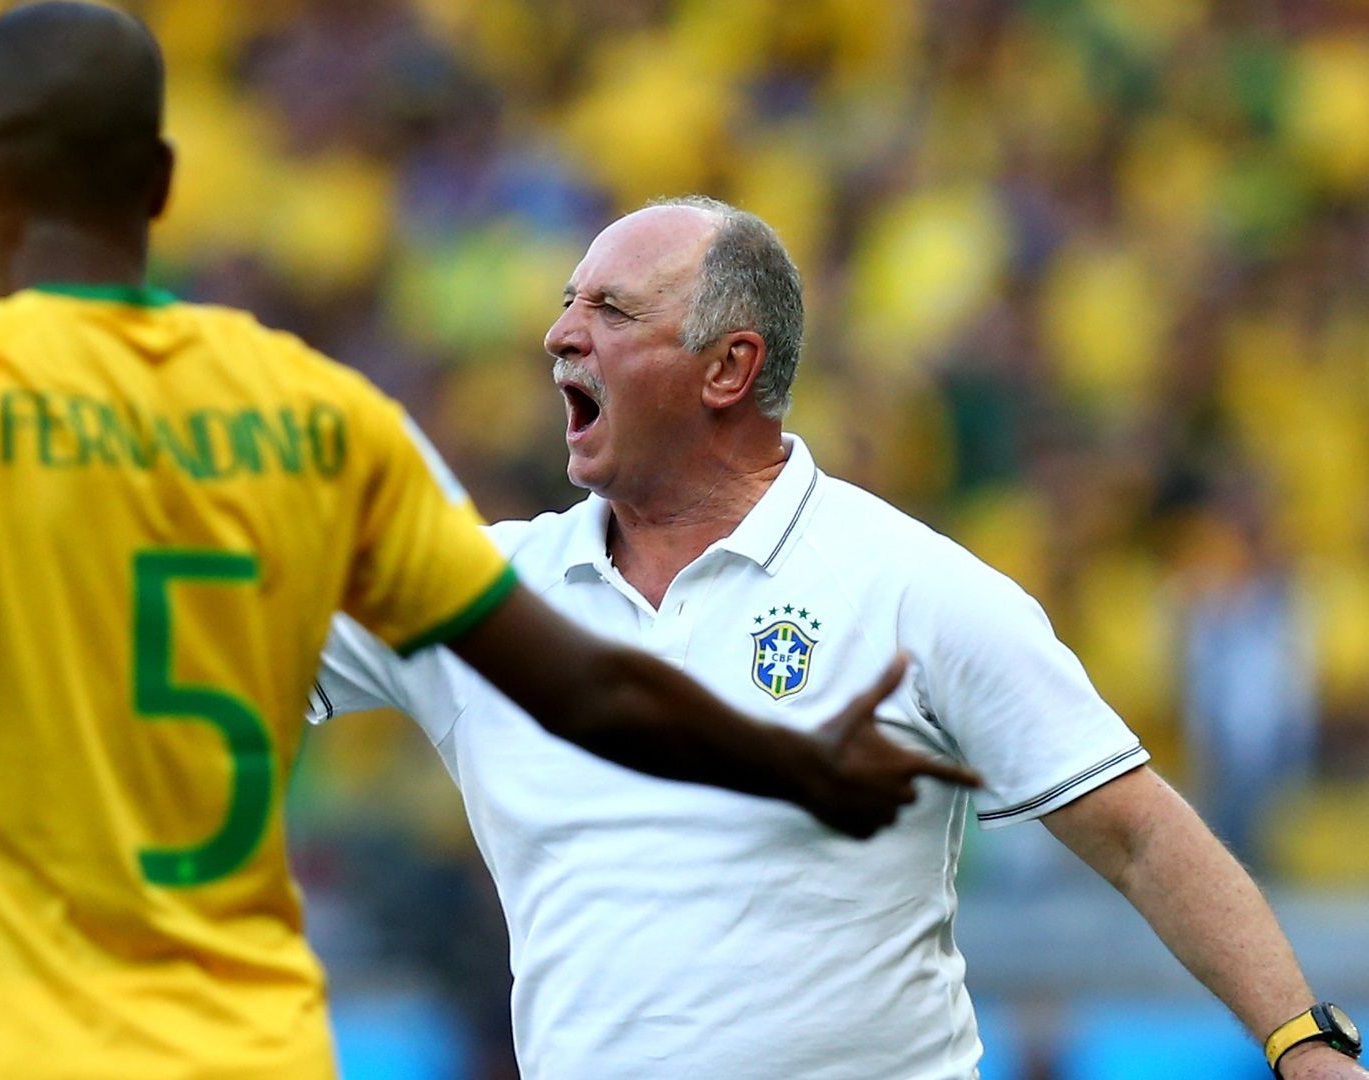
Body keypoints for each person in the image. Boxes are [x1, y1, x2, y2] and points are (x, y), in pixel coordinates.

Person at [0, 7, 977, 1080]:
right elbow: (581, 683)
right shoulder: (325, 414)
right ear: (164, 188)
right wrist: (792, 765)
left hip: (25, 1051)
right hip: (259, 1050)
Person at [311, 197, 1369, 1080]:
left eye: (612, 310)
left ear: (729, 368)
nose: (560, 335)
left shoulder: (911, 587)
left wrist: (1303, 1043)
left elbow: (1138, 834)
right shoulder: (478, 595)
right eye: (567, 303)